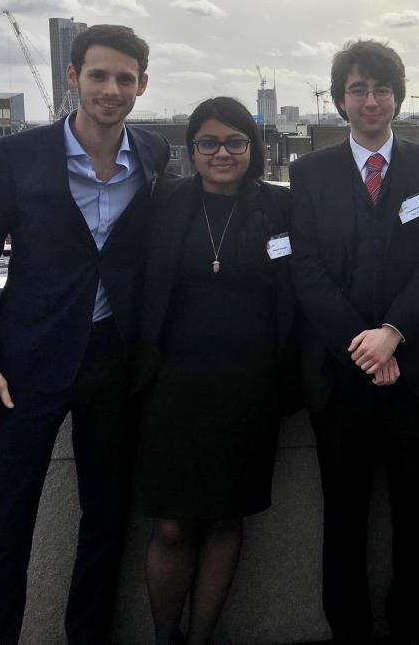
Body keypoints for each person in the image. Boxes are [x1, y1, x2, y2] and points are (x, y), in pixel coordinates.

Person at [0, 24, 168, 644]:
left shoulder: (153, 153)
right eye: (98, 75)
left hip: (112, 360)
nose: (111, 89)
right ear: (72, 78)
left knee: (105, 523)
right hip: (23, 365)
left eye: (125, 78)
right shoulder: (14, 157)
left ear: (142, 85)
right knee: (3, 529)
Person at [290, 40, 419, 645]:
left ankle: (410, 622)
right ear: (340, 100)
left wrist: (393, 334)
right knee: (343, 510)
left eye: (381, 89)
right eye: (357, 90)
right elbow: (305, 267)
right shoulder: (309, 173)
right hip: (338, 377)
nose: (370, 100)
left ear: (398, 98)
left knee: (414, 506)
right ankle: (349, 629)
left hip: (412, 372)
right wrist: (362, 346)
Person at [131, 96, 297, 645]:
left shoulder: (281, 207)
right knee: (172, 524)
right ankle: (166, 638)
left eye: (234, 142)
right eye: (208, 142)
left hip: (249, 390)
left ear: (253, 147)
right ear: (191, 149)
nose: (222, 153)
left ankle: (200, 639)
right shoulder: (163, 202)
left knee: (227, 518)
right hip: (171, 389)